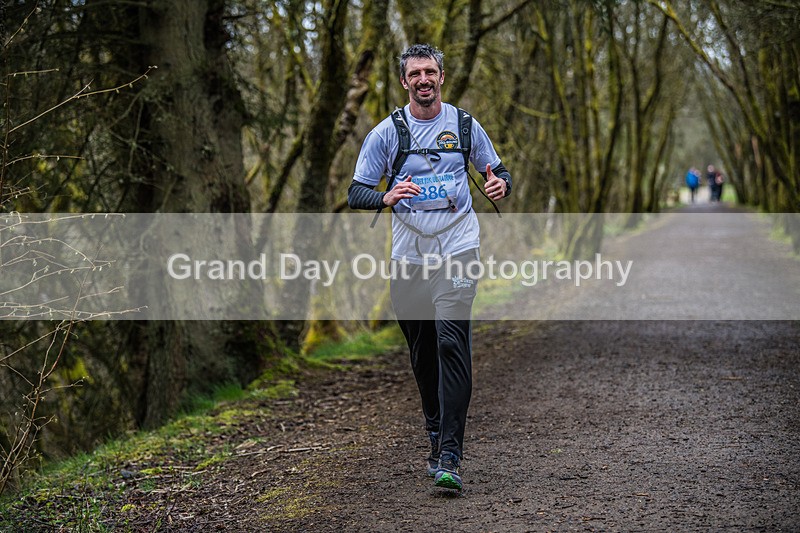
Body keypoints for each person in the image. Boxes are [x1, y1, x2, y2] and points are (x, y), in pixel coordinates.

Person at [347, 44, 512, 491]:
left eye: (431, 71)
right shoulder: (386, 134)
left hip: (459, 247)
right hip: (409, 257)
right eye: (415, 73)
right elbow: (355, 192)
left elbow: (498, 172)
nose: (424, 79)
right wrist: (384, 196)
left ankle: (451, 456)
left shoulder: (463, 125)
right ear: (405, 81)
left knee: (450, 343)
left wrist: (500, 183)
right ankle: (436, 432)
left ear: (442, 77)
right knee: (422, 353)